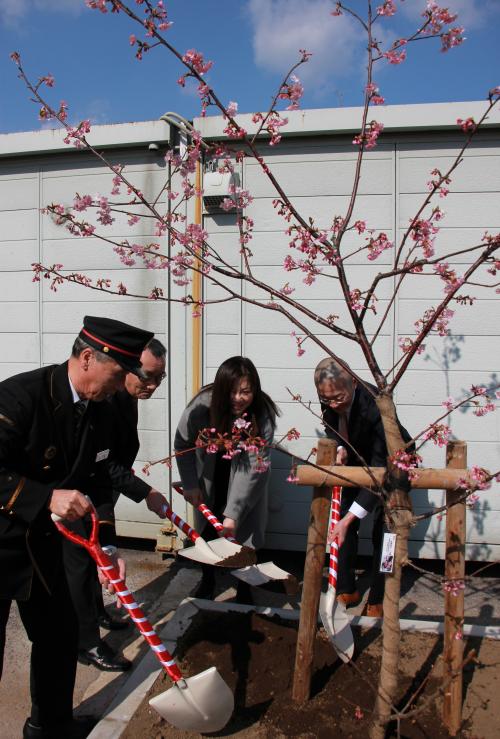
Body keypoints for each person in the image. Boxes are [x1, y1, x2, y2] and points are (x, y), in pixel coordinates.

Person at [0, 316, 155, 739]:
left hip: (42, 550)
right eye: (119, 372)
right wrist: (45, 497)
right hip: (1, 542)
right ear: (88, 358)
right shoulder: (20, 396)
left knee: (58, 637)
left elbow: (98, 478)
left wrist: (106, 546)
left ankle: (49, 725)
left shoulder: (100, 410)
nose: (124, 382)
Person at [63, 338, 168, 672]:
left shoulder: (126, 396)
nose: (152, 385)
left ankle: (96, 611)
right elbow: (103, 465)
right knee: (82, 566)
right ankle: (87, 643)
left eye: (159, 378)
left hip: (103, 484)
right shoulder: (103, 402)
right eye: (147, 376)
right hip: (76, 491)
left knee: (100, 555)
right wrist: (145, 491)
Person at [174, 356, 279, 604]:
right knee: (208, 532)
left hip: (247, 481)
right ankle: (208, 580)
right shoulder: (201, 406)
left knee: (246, 536)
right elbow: (182, 444)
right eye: (232, 391)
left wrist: (233, 513)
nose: (238, 398)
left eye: (245, 391)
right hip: (210, 476)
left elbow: (255, 466)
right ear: (221, 389)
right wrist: (190, 483)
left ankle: (244, 587)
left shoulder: (261, 414)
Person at [314, 357, 412, 618]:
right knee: (342, 521)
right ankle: (347, 587)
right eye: (326, 399)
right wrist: (341, 448)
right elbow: (334, 429)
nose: (333, 404)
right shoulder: (327, 401)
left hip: (391, 465)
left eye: (338, 397)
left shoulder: (376, 406)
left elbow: (381, 465)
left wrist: (349, 519)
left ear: (354, 383)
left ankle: (380, 596)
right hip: (357, 463)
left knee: (385, 531)